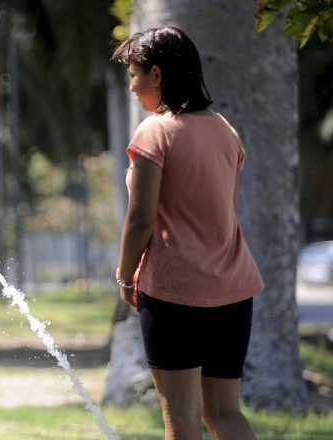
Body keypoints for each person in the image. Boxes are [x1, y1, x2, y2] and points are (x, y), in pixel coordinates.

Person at [113, 26, 264, 440]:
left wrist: (126, 276)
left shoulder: (154, 132)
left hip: (175, 293)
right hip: (234, 290)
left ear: (157, 75)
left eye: (134, 74)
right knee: (225, 413)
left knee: (181, 419)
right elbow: (225, 212)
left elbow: (140, 219)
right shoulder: (225, 131)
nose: (131, 86)